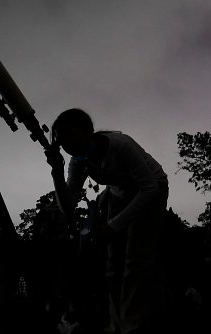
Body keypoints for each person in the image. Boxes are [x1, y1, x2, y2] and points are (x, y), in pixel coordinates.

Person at [45, 108, 169, 334]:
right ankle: (116, 323)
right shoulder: (78, 162)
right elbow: (67, 206)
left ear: (88, 131)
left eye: (70, 135)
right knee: (112, 262)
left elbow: (149, 188)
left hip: (152, 188)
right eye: (62, 140)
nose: (68, 145)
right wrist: (56, 171)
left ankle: (133, 324)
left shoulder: (120, 145)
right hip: (119, 193)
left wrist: (113, 225)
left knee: (135, 259)